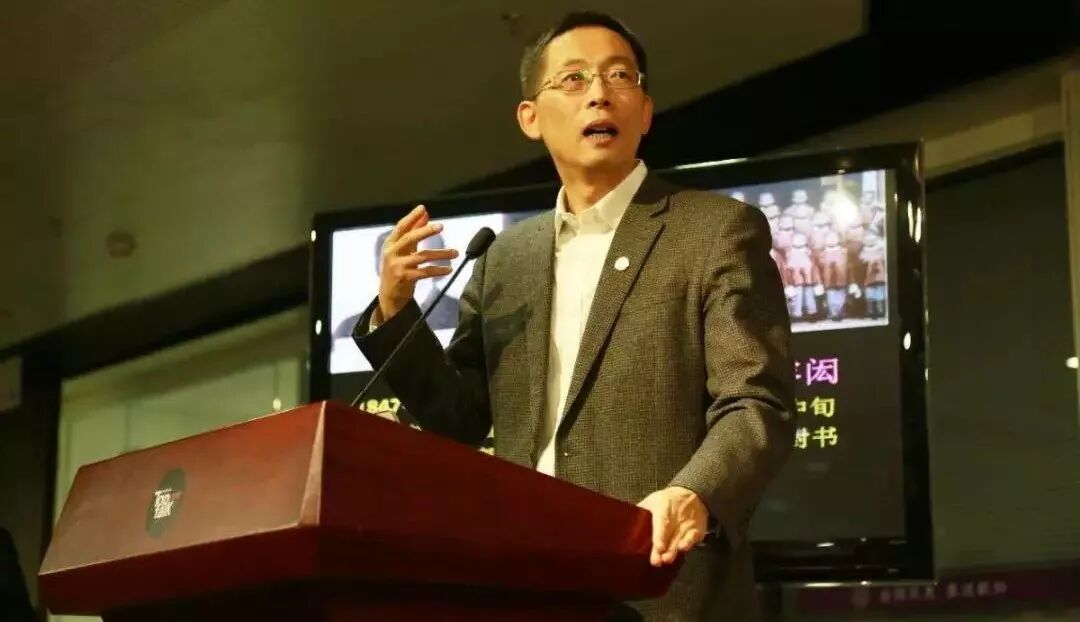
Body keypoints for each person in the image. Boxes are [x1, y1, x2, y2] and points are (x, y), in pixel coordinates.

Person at [352, 12, 794, 621]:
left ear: (645, 111)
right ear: (530, 117)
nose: (599, 93)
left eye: (620, 76)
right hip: (524, 588)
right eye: (574, 78)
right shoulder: (505, 258)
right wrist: (396, 309)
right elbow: (459, 419)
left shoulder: (714, 231)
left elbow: (755, 402)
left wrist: (693, 492)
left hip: (660, 584)